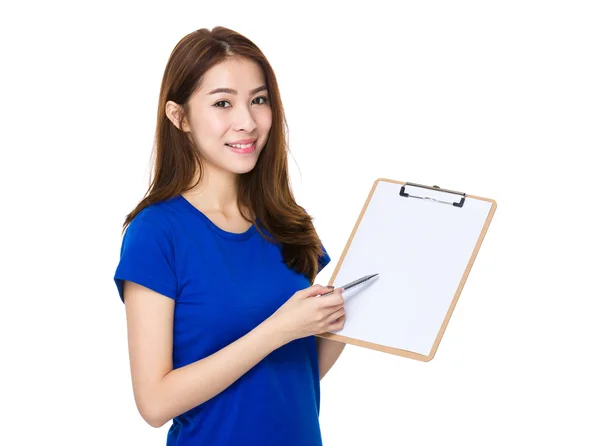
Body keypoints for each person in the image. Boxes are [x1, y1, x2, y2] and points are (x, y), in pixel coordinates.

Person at [113, 26, 346, 445]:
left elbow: (296, 372)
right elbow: (154, 402)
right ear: (178, 116)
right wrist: (277, 329)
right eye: (223, 103)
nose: (248, 121)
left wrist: (356, 314)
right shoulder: (156, 233)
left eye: (259, 100)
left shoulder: (289, 223)